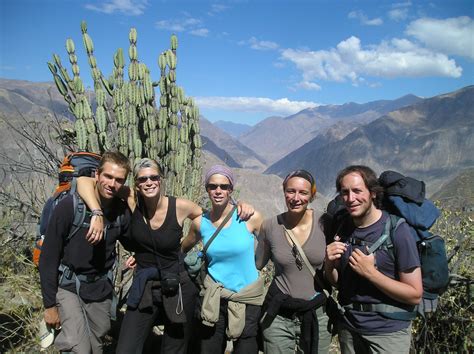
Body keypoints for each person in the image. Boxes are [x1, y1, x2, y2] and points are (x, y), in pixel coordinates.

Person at [78, 159, 254, 354]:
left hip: (178, 284)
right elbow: (84, 181)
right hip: (145, 283)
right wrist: (96, 212)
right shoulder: (132, 199)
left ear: (161, 180)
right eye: (143, 179)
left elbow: (212, 217)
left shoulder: (180, 206)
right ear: (136, 183)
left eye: (154, 177)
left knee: (174, 348)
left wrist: (238, 205)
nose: (149, 182)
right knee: (126, 348)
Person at [39, 150, 132, 353]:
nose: (112, 183)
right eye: (107, 176)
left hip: (99, 287)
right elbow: (48, 258)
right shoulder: (70, 207)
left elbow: (134, 242)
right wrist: (49, 306)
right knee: (77, 347)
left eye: (119, 180)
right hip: (68, 286)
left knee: (96, 345)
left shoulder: (120, 212)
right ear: (97, 175)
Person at [324, 165, 422, 354]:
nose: (351, 199)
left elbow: (414, 294)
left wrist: (371, 274)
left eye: (357, 191)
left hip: (388, 335)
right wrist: (329, 264)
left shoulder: (398, 231)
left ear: (373, 193)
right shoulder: (343, 228)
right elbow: (339, 283)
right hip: (349, 329)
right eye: (345, 192)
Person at [181, 165, 264, 354]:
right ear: (207, 189)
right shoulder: (200, 223)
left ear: (230, 189)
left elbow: (270, 247)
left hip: (248, 298)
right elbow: (183, 248)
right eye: (213, 186)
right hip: (215, 298)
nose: (218, 191)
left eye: (223, 186)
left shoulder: (250, 218)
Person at [256, 169, 332, 354]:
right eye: (291, 191)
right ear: (284, 192)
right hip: (279, 316)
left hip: (318, 315)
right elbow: (257, 264)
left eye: (303, 192)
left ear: (312, 195)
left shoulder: (326, 223)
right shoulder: (270, 226)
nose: (296, 198)